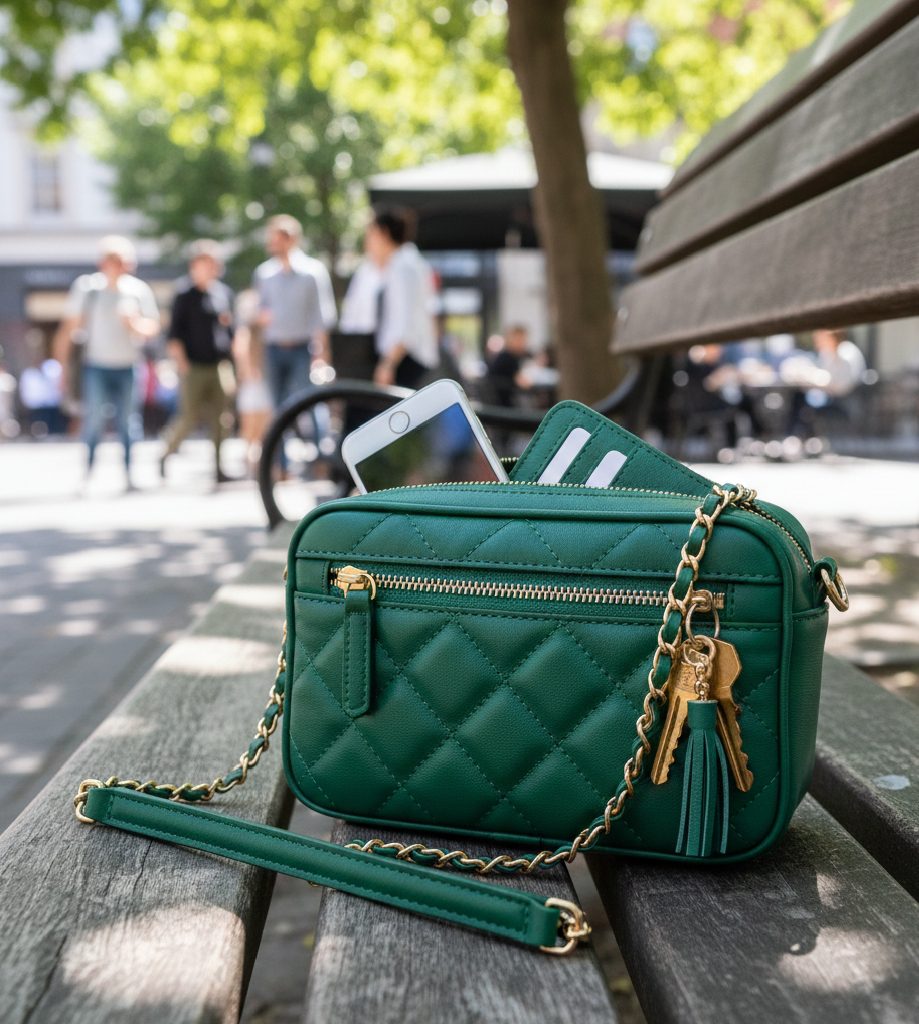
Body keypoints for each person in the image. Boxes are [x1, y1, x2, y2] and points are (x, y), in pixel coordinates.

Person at [55, 236, 160, 488]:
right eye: (115, 260)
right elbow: (69, 329)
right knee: (93, 421)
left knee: (128, 422)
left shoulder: (138, 290)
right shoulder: (88, 288)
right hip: (96, 365)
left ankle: (129, 474)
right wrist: (62, 368)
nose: (121, 266)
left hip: (129, 365)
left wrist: (134, 323)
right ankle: (89, 472)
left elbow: (152, 327)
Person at [160, 240, 237, 484]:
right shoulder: (184, 294)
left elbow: (230, 330)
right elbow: (174, 334)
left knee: (222, 418)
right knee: (189, 417)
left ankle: (219, 466)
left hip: (219, 365)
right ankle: (166, 453)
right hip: (193, 366)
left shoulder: (222, 293)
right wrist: (181, 364)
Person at [253, 214, 337, 410]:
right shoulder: (264, 274)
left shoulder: (313, 272)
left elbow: (322, 315)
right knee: (278, 407)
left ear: (291, 239)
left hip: (304, 348)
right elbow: (260, 312)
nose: (273, 244)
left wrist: (321, 352)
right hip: (273, 348)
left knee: (311, 402)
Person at [364, 209, 438, 389]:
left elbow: (405, 324)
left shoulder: (403, 267)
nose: (367, 241)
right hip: (404, 359)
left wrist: (388, 364)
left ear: (383, 233)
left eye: (370, 232)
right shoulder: (403, 264)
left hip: (406, 360)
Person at [485, 324, 532, 407]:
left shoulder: (505, 356)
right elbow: (524, 384)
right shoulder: (508, 358)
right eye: (519, 340)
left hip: (498, 404)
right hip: (503, 406)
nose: (523, 344)